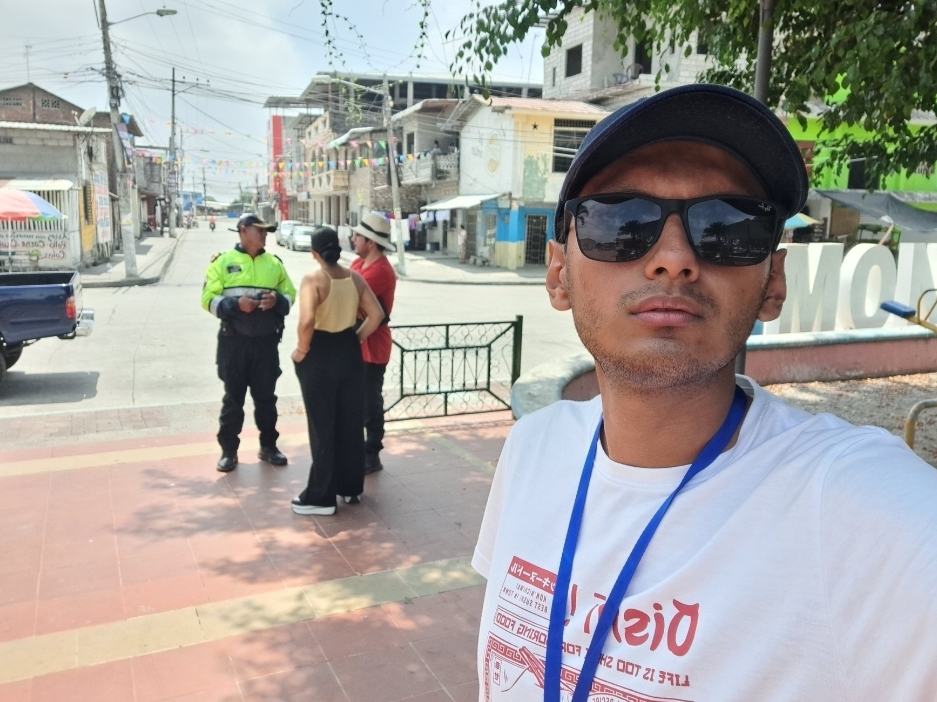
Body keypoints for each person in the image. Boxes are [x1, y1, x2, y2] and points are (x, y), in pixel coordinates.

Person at [473, 84, 937, 701]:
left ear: (773, 283)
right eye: (620, 221)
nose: (674, 258)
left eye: (727, 226)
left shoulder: (856, 512)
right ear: (559, 274)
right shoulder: (531, 449)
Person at [291, 227, 385, 515]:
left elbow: (306, 321)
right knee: (349, 422)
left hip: (320, 353)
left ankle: (321, 498)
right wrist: (354, 339)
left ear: (314, 253)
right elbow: (377, 315)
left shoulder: (313, 280)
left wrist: (302, 350)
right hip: (348, 351)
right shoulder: (354, 278)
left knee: (322, 424)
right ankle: (350, 487)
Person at [201, 213, 296, 472]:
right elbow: (207, 299)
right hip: (233, 343)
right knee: (233, 400)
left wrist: (277, 301)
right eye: (259, 230)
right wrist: (235, 305)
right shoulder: (222, 262)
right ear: (243, 230)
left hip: (266, 344)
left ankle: (269, 447)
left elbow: (290, 295)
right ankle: (229, 452)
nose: (265, 235)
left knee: (266, 399)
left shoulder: (274, 263)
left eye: (266, 231)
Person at [349, 212, 397, 473]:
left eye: (358, 236)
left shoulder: (380, 271)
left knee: (370, 403)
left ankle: (372, 453)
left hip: (372, 345)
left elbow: (348, 295)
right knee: (357, 401)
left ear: (371, 242)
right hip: (358, 343)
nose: (353, 239)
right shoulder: (359, 264)